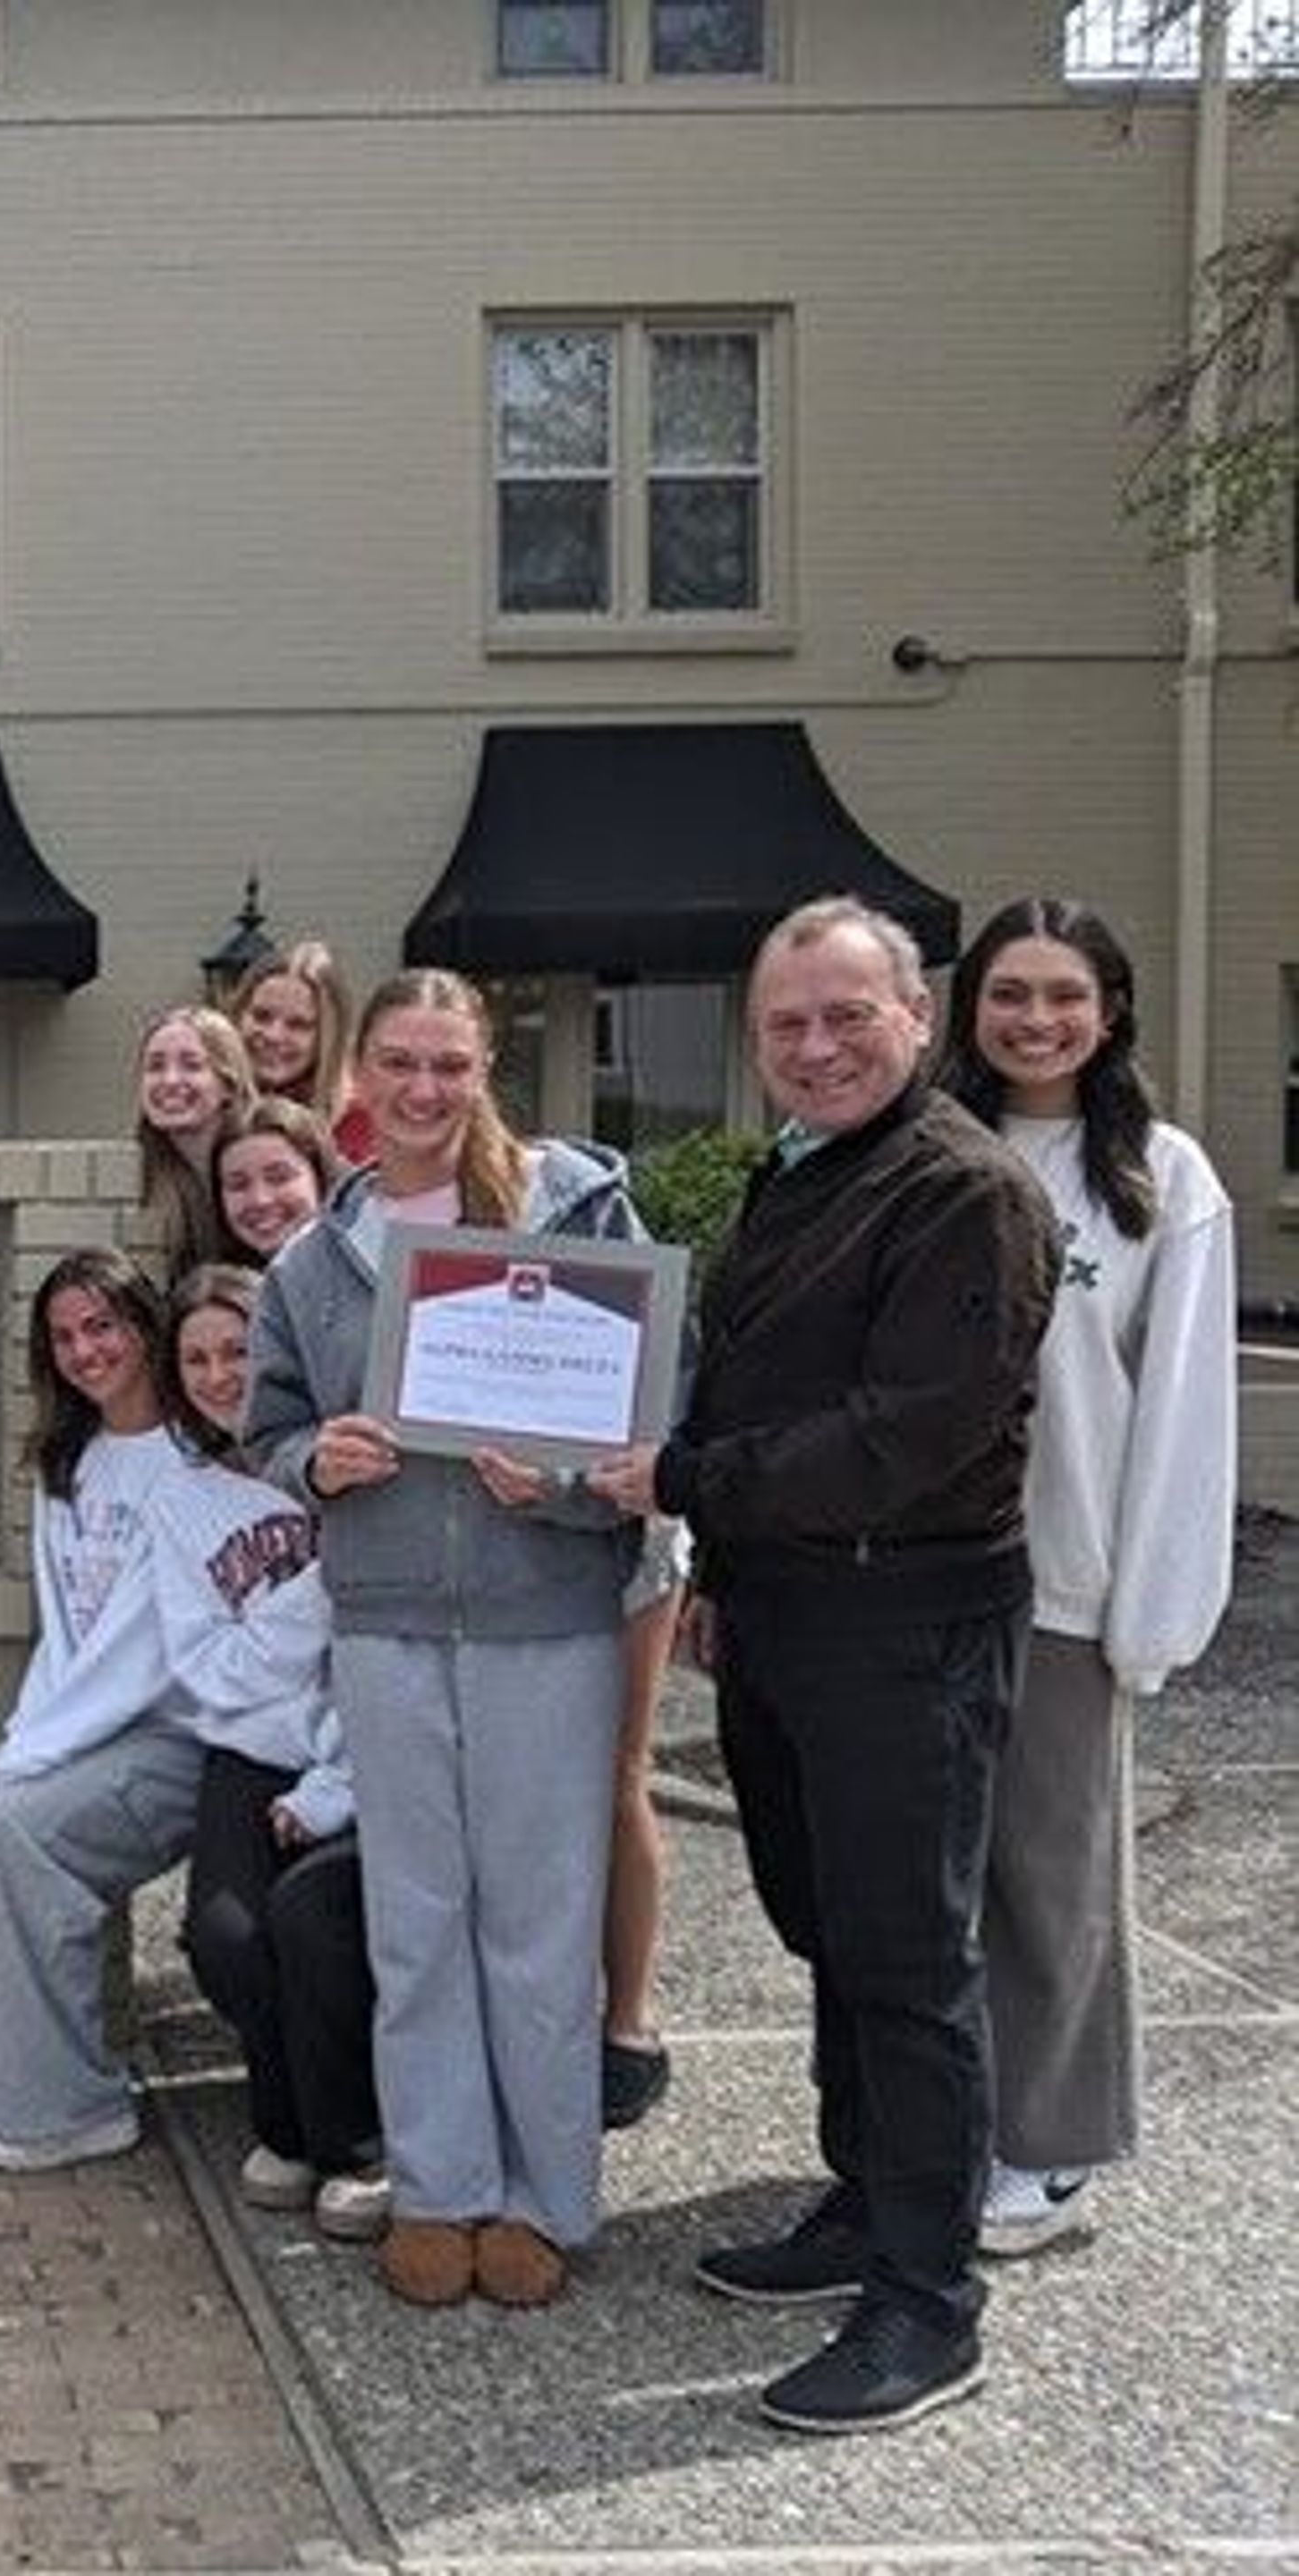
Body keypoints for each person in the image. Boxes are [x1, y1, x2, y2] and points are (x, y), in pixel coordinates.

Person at [586, 895, 1057, 2436]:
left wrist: (683, 1490)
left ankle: (929, 2300)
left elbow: (906, 1438)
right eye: (786, 1025)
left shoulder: (960, 1191)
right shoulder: (807, 1178)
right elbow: (753, 1382)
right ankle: (865, 2199)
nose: (815, 1047)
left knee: (910, 1963)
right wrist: (723, 1567)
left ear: (916, 1017)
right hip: (788, 1614)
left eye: (847, 1016)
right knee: (832, 1930)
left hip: (903, 1619)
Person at [243, 969, 643, 2312]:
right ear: (358, 1074)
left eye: (450, 1067)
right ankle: (441, 2186)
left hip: (551, 1613)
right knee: (417, 1919)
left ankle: (544, 2196)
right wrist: (320, 1461)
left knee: (538, 1918)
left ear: (486, 1071)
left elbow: (655, 1407)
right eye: (400, 1066)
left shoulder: (575, 1212)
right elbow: (267, 1427)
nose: (423, 1093)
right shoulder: (317, 1256)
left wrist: (575, 1488)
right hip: (390, 1616)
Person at [935, 896, 1234, 2258]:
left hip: (1061, 1581)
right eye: (1009, 993)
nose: (1035, 1020)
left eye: (1063, 994)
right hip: (921, 1577)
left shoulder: (1161, 1177)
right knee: (932, 1885)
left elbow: (1181, 1407)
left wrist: (1150, 1612)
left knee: (1051, 1881)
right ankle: (945, 2122)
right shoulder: (931, 1149)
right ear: (969, 1007)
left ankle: (1047, 2147)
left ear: (1110, 1010)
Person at [0, 1249, 222, 2174]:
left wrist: (45, 1749)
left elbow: (142, 1649)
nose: (86, 1350)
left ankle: (73, 2106)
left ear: (145, 1328)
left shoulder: (194, 1462)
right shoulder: (73, 1461)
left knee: (22, 1827)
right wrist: (35, 1737)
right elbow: (69, 1635)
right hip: (86, 1725)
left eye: (103, 1326)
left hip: (181, 1734)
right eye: (64, 1337)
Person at [164, 1265, 385, 2245]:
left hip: (370, 1755)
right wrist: (321, 1584)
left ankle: (346, 2143)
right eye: (197, 1358)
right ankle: (293, 2120)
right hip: (251, 1755)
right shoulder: (184, 1499)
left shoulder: (350, 1462)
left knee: (314, 1919)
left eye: (239, 1350)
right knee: (225, 1937)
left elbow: (374, 1651)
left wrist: (334, 1782)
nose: (220, 1375)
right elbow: (213, 1675)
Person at [132, 1004, 256, 1280]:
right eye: (155, 1066)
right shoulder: (133, 1181)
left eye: (191, 1065)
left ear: (228, 1084)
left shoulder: (266, 1164)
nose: (170, 1080)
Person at [233, 938, 374, 1163]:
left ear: (329, 1038)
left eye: (298, 1025)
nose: (274, 1035)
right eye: (262, 1016)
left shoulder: (359, 1125)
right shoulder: (212, 1110)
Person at [209, 1098, 342, 1268]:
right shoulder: (216, 1287)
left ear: (321, 1177)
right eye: (238, 1185)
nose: (260, 1200)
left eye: (279, 1178)